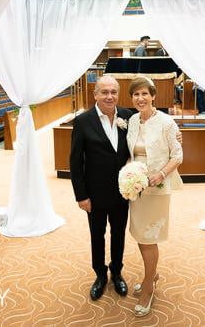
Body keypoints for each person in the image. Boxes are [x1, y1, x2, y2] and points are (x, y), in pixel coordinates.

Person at [70, 76, 132, 301]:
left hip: (124, 192)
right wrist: (81, 195)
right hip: (94, 195)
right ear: (95, 94)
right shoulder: (83, 121)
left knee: (118, 234)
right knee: (97, 235)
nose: (109, 96)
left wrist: (174, 134)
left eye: (113, 92)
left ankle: (117, 272)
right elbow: (75, 162)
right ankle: (99, 275)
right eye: (104, 92)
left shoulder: (128, 116)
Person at [126, 77, 183, 317]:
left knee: (149, 238)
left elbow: (178, 156)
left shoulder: (167, 123)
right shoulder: (131, 120)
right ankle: (153, 274)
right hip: (135, 187)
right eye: (136, 95)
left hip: (157, 189)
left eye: (144, 94)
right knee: (140, 235)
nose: (140, 99)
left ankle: (148, 286)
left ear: (153, 96)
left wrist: (160, 175)